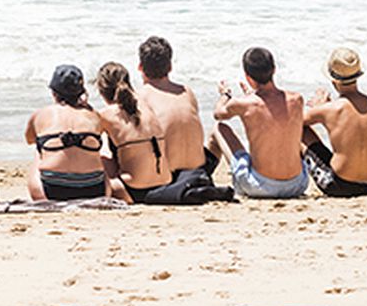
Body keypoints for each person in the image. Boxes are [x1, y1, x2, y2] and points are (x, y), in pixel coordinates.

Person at [130, 38, 235, 203]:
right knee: (213, 138)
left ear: (140, 67)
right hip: (199, 170)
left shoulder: (140, 96)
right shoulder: (187, 91)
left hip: (168, 175)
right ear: (170, 67)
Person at [212, 47, 308, 199]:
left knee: (219, 128)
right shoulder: (297, 99)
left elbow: (218, 114)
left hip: (260, 186)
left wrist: (225, 95)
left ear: (248, 77)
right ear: (274, 70)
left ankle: (203, 176)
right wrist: (251, 96)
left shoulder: (243, 104)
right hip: (297, 184)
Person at [301, 48, 367, 198]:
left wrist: (320, 107)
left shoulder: (330, 109)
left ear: (333, 79)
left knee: (300, 131)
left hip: (340, 186)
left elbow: (292, 122)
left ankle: (286, 176)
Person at [25, 65, 108, 201]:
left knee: (39, 150)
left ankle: (41, 197)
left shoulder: (40, 114)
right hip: (94, 188)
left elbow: (29, 139)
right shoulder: (94, 115)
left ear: (54, 92)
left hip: (52, 189)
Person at [94, 63, 171, 203]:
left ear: (102, 91)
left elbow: (85, 140)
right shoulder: (147, 105)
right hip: (165, 183)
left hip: (132, 189)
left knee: (101, 154)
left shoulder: (106, 114)